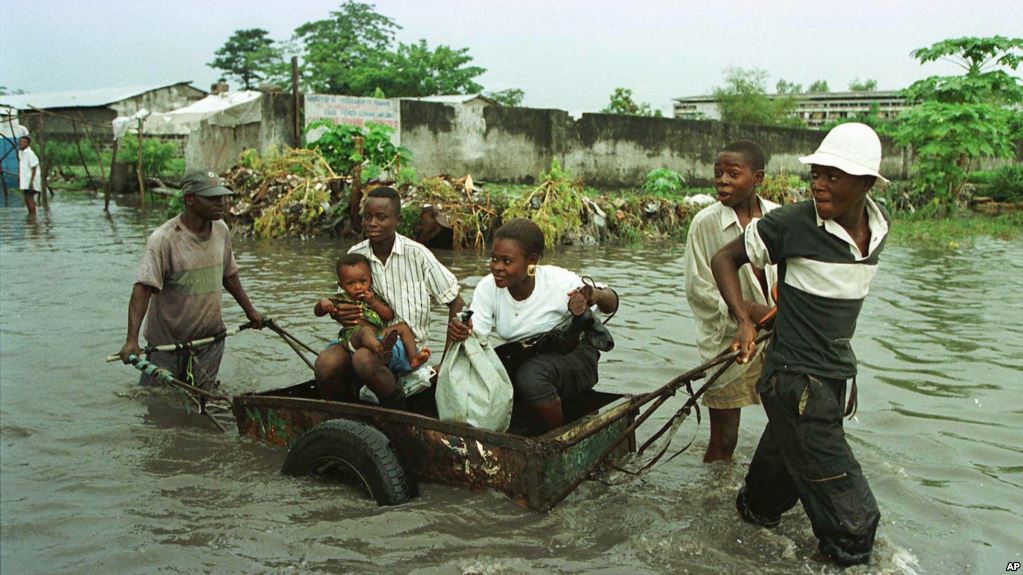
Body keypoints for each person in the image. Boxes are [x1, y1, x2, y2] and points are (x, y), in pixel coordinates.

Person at [710, 123, 890, 566]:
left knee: (766, 499)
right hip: (796, 382)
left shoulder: (880, 225)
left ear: (865, 184)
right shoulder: (791, 223)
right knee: (854, 524)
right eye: (817, 174)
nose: (819, 184)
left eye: (834, 176)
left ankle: (734, 542)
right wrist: (744, 322)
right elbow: (724, 259)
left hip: (831, 379)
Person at [447, 218, 619, 432]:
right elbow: (478, 337)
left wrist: (593, 294)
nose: (497, 268)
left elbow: (611, 302)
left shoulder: (558, 281)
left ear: (532, 261)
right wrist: (463, 331)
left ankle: (558, 438)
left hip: (575, 353)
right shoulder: (487, 288)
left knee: (531, 377)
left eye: (507, 261)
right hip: (526, 353)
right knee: (479, 375)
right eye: (494, 259)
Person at [314, 186, 464, 408]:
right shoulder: (356, 255)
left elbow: (456, 302)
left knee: (363, 359)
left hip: (407, 345)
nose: (372, 223)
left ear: (398, 220)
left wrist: (447, 362)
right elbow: (343, 306)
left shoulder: (417, 254)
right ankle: (345, 419)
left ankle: (397, 410)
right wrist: (339, 315)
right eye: (367, 217)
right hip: (362, 337)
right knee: (325, 364)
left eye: (381, 217)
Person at [118, 169, 263, 389]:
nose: (222, 203)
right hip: (167, 346)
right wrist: (132, 340)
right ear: (190, 200)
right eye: (212, 198)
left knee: (203, 399)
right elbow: (142, 290)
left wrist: (251, 312)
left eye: (222, 197)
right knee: (159, 402)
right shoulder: (164, 239)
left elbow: (229, 276)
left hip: (210, 341)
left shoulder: (221, 230)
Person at [684, 140, 778, 462]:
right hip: (729, 342)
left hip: (778, 338)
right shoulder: (705, 224)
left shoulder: (777, 219)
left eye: (733, 173)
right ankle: (713, 496)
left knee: (789, 425)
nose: (722, 180)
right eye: (718, 173)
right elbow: (699, 290)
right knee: (724, 437)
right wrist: (747, 313)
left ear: (758, 178)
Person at [315, 253, 431, 374]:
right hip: (353, 336)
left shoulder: (373, 297)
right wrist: (323, 304)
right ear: (341, 285)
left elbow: (388, 315)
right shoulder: (341, 298)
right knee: (365, 331)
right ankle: (380, 350)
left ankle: (413, 359)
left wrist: (373, 302)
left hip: (378, 333)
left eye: (363, 281)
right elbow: (318, 312)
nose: (358, 287)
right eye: (350, 284)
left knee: (403, 327)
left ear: (370, 280)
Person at [17, 135, 40, 216]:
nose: (22, 143)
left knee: (30, 198)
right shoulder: (21, 152)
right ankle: (30, 215)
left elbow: (34, 167)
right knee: (26, 198)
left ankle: (33, 215)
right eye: (20, 142)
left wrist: (31, 181)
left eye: (24, 142)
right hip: (25, 179)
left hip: (30, 180)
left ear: (28, 143)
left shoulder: (30, 153)